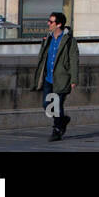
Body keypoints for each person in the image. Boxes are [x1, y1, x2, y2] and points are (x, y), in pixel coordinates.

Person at [31, 12, 79, 142]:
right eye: (49, 21)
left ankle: (57, 130)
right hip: (48, 78)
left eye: (51, 22)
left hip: (62, 78)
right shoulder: (48, 38)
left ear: (59, 24)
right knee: (47, 105)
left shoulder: (69, 40)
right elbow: (42, 57)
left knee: (57, 105)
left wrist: (74, 79)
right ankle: (63, 120)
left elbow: (74, 60)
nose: (48, 23)